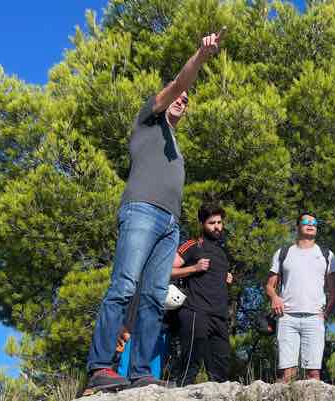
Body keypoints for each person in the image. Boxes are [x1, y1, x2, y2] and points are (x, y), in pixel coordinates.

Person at [84, 30, 224, 393]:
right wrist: (200, 57)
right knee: (124, 287)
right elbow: (180, 82)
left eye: (187, 100)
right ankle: (101, 366)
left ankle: (140, 371)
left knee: (152, 296)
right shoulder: (148, 122)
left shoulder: (175, 146)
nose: (183, 99)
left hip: (169, 224)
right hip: (141, 213)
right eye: (178, 96)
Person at [265, 212, 335, 383]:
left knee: (313, 375)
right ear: (297, 226)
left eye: (315, 222)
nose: (311, 224)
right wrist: (275, 298)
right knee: (287, 375)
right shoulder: (283, 252)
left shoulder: (327, 255)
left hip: (314, 319)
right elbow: (269, 285)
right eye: (306, 221)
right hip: (287, 318)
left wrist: (325, 314)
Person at [170, 204, 235, 386]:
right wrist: (193, 268)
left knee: (221, 372)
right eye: (211, 223)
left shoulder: (222, 252)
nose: (217, 227)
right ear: (202, 224)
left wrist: (226, 278)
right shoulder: (192, 245)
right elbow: (166, 270)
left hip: (220, 317)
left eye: (219, 222)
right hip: (195, 312)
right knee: (191, 365)